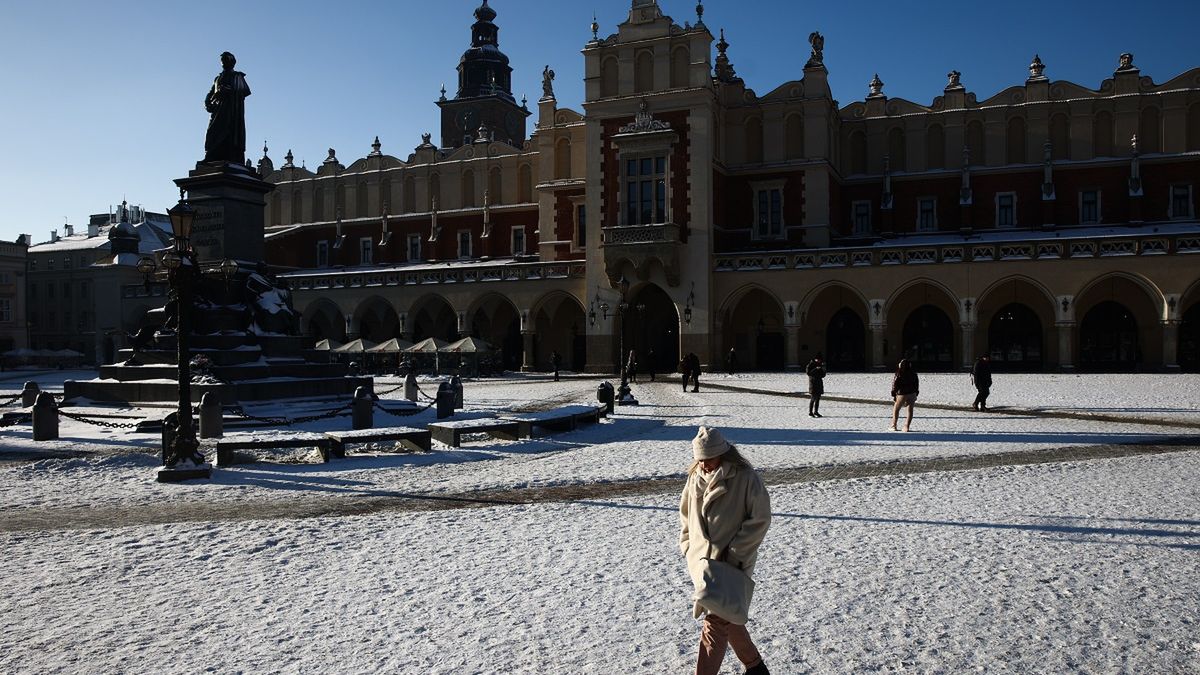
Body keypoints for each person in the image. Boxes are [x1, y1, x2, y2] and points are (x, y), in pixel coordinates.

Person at [679, 427, 772, 675]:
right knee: (726, 614)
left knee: (715, 623)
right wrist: (687, 545)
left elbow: (760, 518)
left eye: (708, 459)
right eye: (699, 460)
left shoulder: (745, 477)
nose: (704, 465)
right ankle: (755, 667)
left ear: (723, 454)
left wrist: (737, 553)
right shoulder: (694, 477)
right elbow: (685, 516)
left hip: (731, 562)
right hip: (702, 562)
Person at [203, 52, 252, 165]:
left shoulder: (237, 76)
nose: (223, 63)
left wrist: (229, 91)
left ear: (232, 62)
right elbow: (210, 92)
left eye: (226, 60)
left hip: (231, 110)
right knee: (212, 132)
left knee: (229, 132)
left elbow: (244, 91)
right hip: (217, 109)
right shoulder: (217, 78)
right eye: (222, 61)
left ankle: (230, 155)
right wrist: (207, 103)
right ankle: (211, 156)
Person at [890, 358, 919, 432]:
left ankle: (894, 425)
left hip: (902, 394)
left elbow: (895, 384)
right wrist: (916, 392)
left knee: (896, 408)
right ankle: (907, 426)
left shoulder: (899, 373)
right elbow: (916, 384)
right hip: (912, 393)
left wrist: (894, 393)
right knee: (910, 410)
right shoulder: (913, 373)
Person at [805, 354, 826, 418]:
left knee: (818, 399)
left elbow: (823, 375)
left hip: (819, 383)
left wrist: (823, 369)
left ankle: (816, 412)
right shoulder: (810, 365)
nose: (819, 361)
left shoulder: (820, 365)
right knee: (813, 399)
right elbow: (809, 373)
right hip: (813, 384)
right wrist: (816, 369)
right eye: (818, 360)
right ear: (815, 359)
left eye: (820, 360)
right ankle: (810, 413)